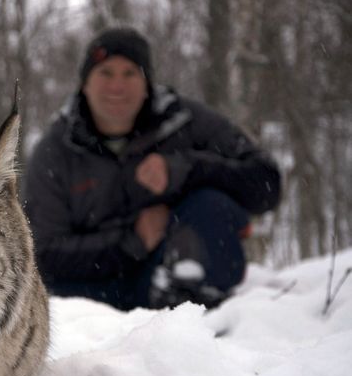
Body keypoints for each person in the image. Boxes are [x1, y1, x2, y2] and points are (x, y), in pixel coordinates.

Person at [24, 27, 281, 310]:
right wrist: (132, 241)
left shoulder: (184, 121)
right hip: (94, 294)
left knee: (212, 205)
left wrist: (186, 170)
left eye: (130, 73)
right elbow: (41, 252)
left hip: (173, 275)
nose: (117, 86)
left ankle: (203, 312)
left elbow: (266, 184)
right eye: (105, 73)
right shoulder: (56, 151)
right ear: (85, 83)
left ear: (147, 82)